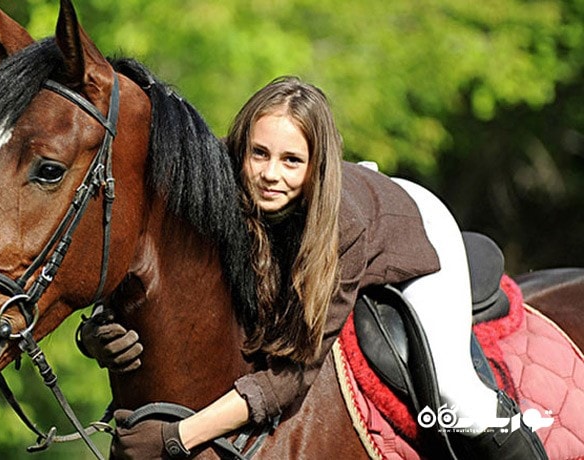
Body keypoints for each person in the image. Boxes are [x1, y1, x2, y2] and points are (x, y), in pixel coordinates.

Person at [79, 77, 547, 459]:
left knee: (458, 396)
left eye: (291, 161)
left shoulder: (344, 230)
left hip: (411, 223)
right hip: (335, 203)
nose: (269, 175)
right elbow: (164, 273)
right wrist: (96, 333)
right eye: (259, 154)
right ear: (240, 147)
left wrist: (178, 437)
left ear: (314, 166)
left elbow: (291, 377)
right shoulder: (220, 176)